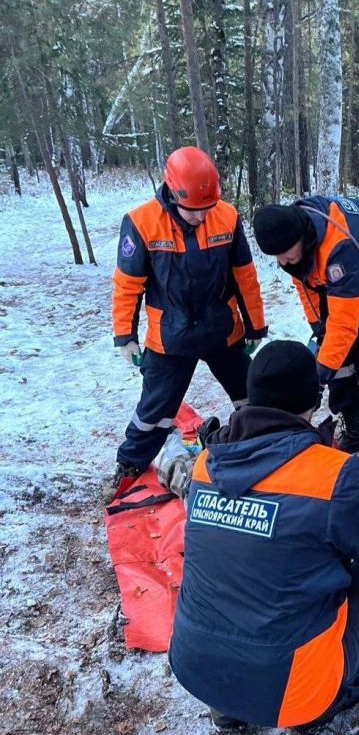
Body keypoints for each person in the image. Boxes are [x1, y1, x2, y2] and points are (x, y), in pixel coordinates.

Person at [163, 340, 359, 730]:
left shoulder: (206, 464)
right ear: (314, 399)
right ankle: (320, 702)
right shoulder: (335, 475)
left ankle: (233, 703)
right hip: (292, 692)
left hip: (195, 669)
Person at [105, 147, 267, 502]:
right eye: (194, 211)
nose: (201, 217)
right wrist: (124, 336)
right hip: (170, 338)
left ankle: (268, 451)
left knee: (252, 396)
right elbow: (127, 284)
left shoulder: (226, 217)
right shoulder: (142, 223)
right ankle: (130, 465)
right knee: (155, 411)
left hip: (222, 329)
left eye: (206, 209)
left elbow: (245, 277)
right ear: (172, 192)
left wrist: (256, 326)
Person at [251, 196, 359, 453]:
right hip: (348, 281)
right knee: (335, 356)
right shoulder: (295, 242)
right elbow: (305, 284)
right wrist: (318, 325)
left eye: (285, 253)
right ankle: (356, 430)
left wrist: (318, 378)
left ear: (301, 238)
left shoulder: (339, 251)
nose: (282, 261)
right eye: (277, 257)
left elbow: (343, 327)